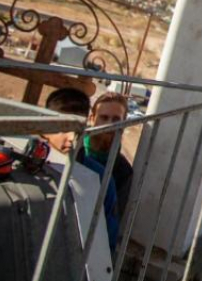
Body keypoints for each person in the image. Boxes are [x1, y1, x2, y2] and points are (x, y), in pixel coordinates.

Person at [44, 87, 119, 251]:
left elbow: (107, 239)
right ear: (45, 128)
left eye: (78, 129)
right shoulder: (26, 161)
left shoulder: (100, 177)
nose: (71, 138)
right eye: (64, 128)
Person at [85, 91, 134, 217]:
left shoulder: (123, 171)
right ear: (92, 119)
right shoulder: (71, 149)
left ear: (124, 123)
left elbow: (112, 218)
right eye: (104, 118)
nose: (109, 124)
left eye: (116, 119)